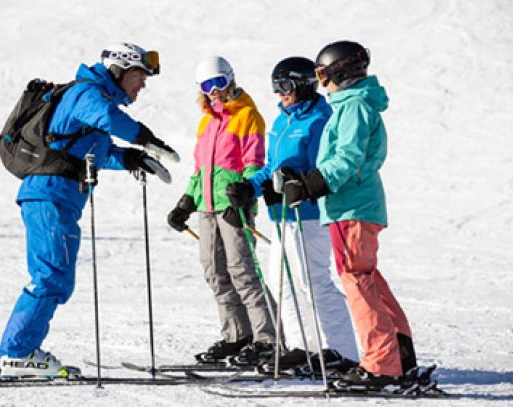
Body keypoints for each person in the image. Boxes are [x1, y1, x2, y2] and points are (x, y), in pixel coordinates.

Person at [0, 43, 178, 377]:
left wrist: (132, 158)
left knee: (57, 277)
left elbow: (98, 151)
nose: (143, 85)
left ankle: (16, 351)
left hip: (59, 199)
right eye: (140, 76)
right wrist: (144, 137)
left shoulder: (94, 102)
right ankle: (16, 353)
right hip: (50, 196)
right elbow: (109, 119)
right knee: (50, 275)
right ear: (120, 70)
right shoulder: (87, 94)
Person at [281, 40, 417, 387]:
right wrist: (305, 179)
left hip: (350, 206)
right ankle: (398, 356)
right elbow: (341, 158)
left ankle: (381, 365)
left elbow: (348, 158)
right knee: (367, 278)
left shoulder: (354, 106)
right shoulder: (352, 105)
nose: (319, 81)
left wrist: (314, 184)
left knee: (357, 280)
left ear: (338, 73)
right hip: (352, 206)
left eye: (322, 73)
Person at [225, 57, 359, 374]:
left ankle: (342, 351)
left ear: (302, 84)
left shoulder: (320, 120)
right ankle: (303, 348)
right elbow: (272, 169)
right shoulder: (282, 121)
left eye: (284, 86)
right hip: (282, 215)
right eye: (275, 88)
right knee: (281, 280)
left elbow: (319, 169)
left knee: (312, 281)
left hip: (310, 215)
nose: (279, 94)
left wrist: (293, 185)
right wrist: (249, 188)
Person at [167, 56, 277, 366]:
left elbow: (255, 163)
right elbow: (200, 169)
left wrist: (242, 198)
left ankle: (267, 338)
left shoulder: (248, 116)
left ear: (230, 79)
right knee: (214, 272)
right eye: (207, 85)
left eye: (219, 83)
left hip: (232, 206)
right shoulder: (207, 121)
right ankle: (237, 335)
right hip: (207, 208)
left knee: (242, 269)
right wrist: (185, 203)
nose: (214, 90)